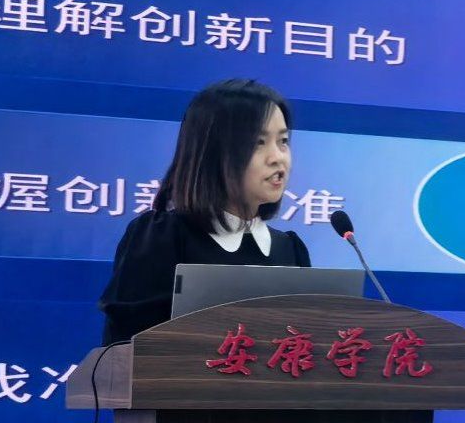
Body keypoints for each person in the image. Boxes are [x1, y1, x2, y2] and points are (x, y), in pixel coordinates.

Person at [99, 79, 311, 345]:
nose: (277, 157)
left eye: (283, 141)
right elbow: (128, 350)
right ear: (213, 151)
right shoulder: (161, 238)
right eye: (258, 142)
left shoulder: (290, 250)